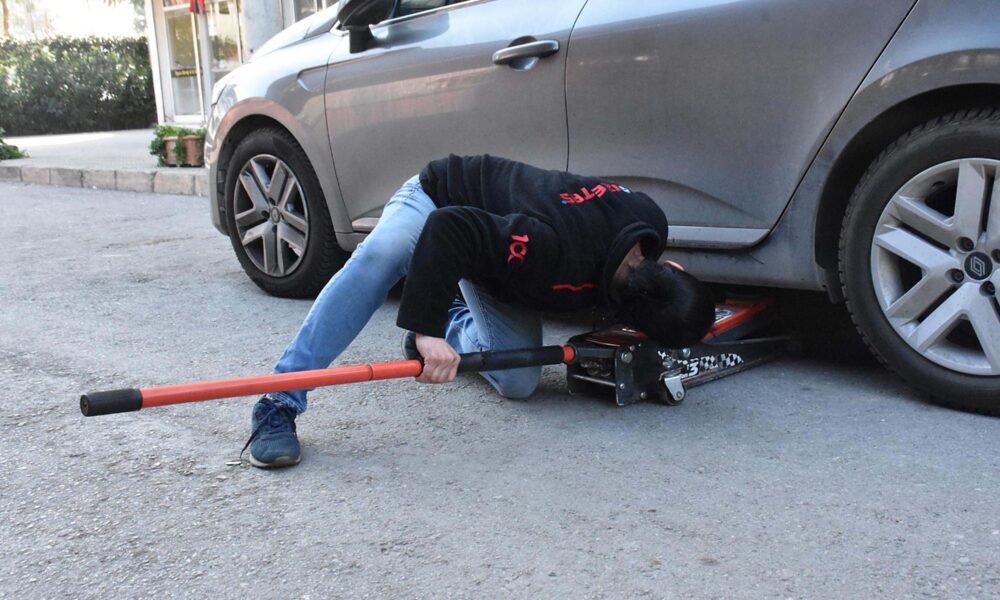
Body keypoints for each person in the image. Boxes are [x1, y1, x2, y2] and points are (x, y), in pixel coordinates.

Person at [244, 155, 715, 468]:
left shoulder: (650, 225)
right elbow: (449, 227)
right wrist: (425, 330)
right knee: (381, 257)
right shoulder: (555, 253)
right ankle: (279, 400)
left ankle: (452, 314)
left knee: (519, 381)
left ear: (672, 268)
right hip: (442, 202)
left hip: (498, 246)